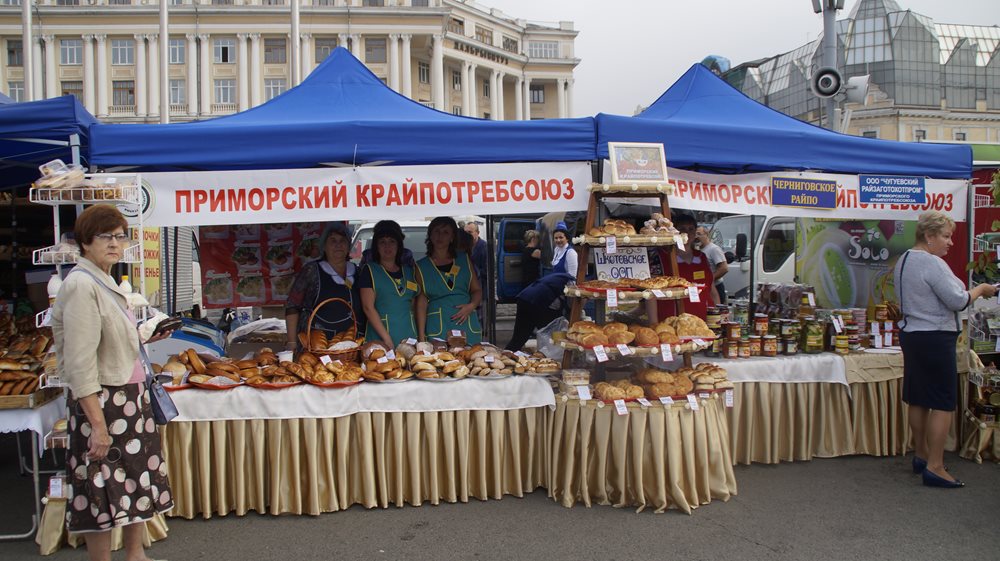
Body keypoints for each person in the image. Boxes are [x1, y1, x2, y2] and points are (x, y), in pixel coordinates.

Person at [51, 204, 173, 561]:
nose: (114, 243)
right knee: (98, 487)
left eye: (120, 236)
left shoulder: (105, 281)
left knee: (136, 480)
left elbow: (110, 340)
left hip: (130, 398)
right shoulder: (79, 285)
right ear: (85, 241)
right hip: (104, 403)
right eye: (105, 236)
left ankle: (136, 556)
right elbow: (80, 361)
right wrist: (97, 425)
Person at [894, 211, 996, 488]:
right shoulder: (932, 263)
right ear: (929, 237)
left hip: (912, 335)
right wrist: (981, 290)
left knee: (918, 397)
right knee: (942, 402)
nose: (950, 243)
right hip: (935, 337)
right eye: (946, 236)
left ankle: (922, 455)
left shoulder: (903, 260)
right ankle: (936, 466)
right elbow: (958, 300)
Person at [285, 222, 360, 352]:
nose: (338, 245)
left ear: (348, 246)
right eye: (333, 241)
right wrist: (291, 342)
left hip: (352, 344)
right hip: (317, 345)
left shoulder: (358, 271)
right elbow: (292, 306)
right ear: (324, 246)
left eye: (342, 241)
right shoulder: (311, 271)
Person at [416, 216, 482, 344]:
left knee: (471, 360)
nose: (440, 236)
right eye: (436, 231)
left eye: (445, 232)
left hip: (466, 323)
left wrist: (472, 305)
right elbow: (421, 303)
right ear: (430, 235)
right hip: (438, 326)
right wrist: (421, 337)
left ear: (452, 237)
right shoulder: (420, 266)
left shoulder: (464, 259)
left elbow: (476, 290)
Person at [647, 214, 719, 322]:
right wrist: (654, 324)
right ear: (675, 231)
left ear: (695, 233)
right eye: (682, 229)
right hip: (671, 322)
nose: (687, 232)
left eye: (691, 229)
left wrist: (718, 317)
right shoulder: (660, 257)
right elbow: (651, 292)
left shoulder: (702, 257)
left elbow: (712, 290)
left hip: (703, 322)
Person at [358, 220, 419, 347]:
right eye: (382, 242)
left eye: (392, 241)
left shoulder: (409, 271)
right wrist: (387, 339)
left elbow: (412, 303)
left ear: (399, 245)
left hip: (408, 336)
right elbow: (368, 308)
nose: (387, 246)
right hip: (381, 339)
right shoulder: (370, 270)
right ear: (376, 246)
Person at [505, 272, 574, 352]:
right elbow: (572, 306)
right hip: (540, 302)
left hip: (525, 298)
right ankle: (552, 359)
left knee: (519, 338)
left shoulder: (561, 278)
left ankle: (507, 354)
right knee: (552, 337)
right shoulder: (572, 284)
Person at [695, 226, 729, 304]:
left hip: (716, 288)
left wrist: (709, 279)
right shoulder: (698, 250)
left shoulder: (713, 249)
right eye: (695, 234)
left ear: (706, 234)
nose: (696, 237)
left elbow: (724, 268)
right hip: (704, 287)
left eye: (699, 234)